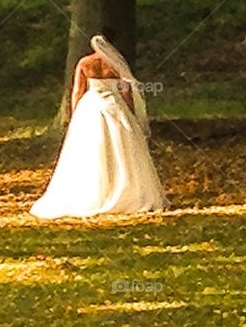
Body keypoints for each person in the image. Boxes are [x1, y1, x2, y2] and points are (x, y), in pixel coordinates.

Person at [31, 34, 168, 218]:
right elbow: (126, 90)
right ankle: (126, 192)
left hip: (92, 106)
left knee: (93, 148)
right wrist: (130, 111)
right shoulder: (116, 64)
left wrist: (75, 113)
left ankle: (97, 190)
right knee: (123, 148)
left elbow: (78, 90)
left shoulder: (85, 63)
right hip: (115, 106)